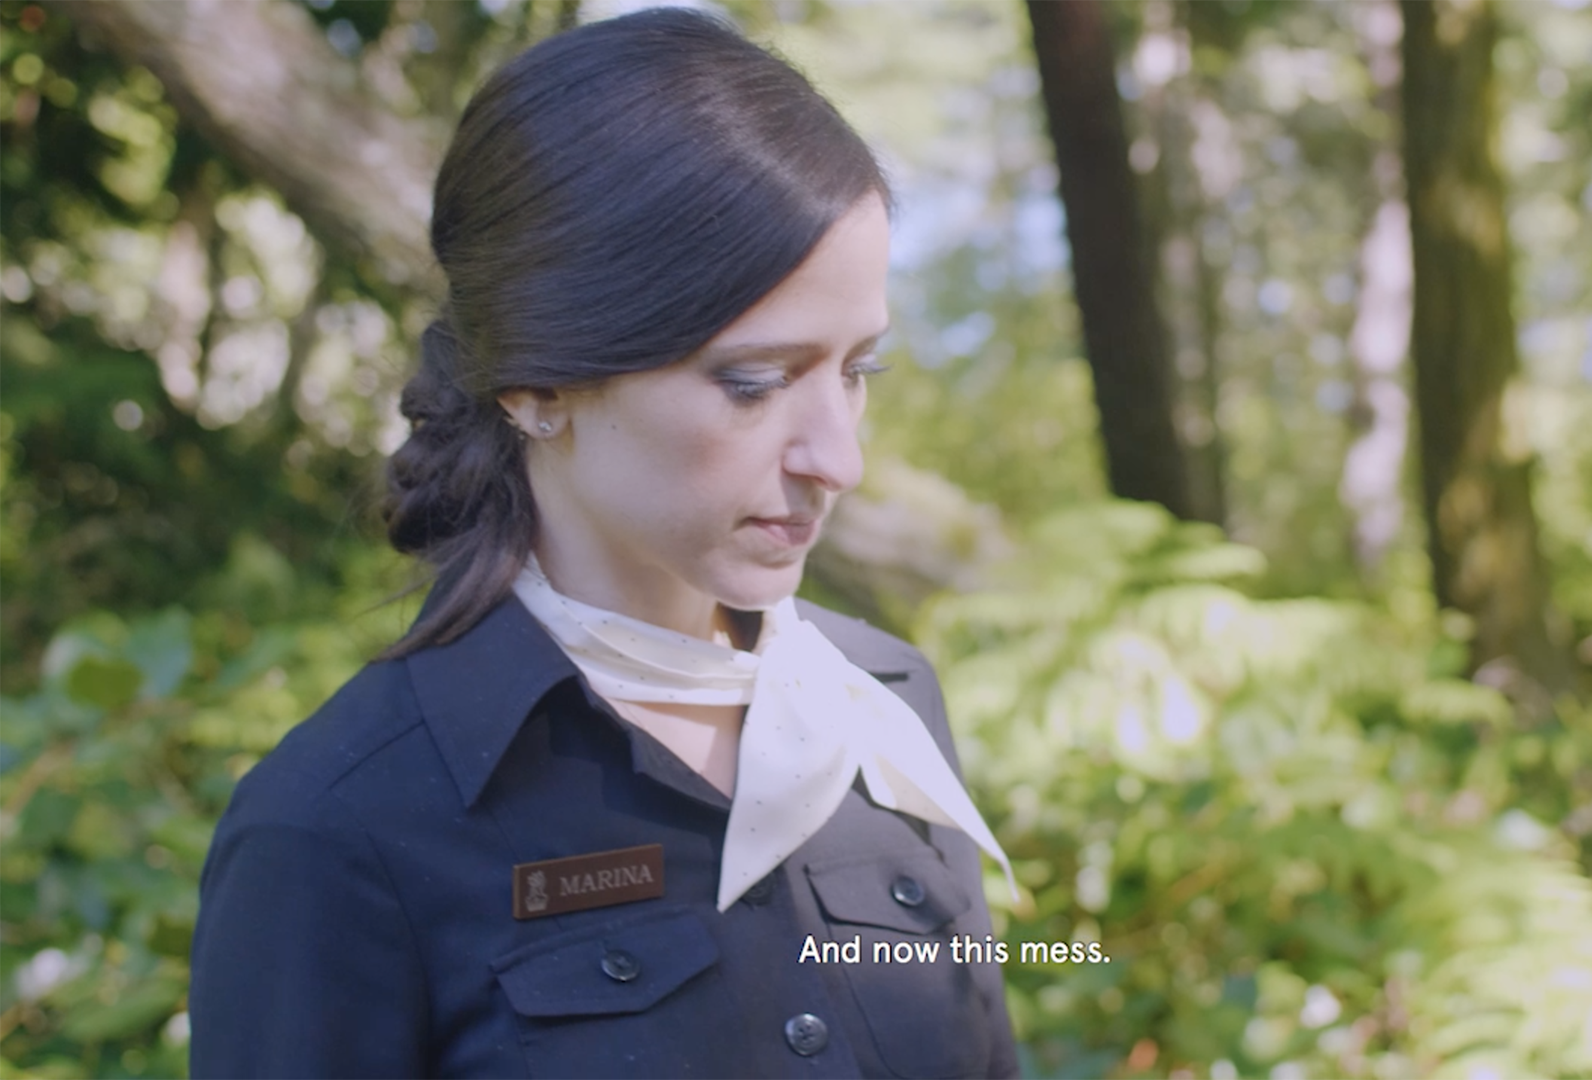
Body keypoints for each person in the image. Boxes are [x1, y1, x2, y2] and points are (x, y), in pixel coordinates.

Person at [187, 9, 1021, 1077]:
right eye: (754, 383)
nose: (839, 459)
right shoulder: (336, 827)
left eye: (858, 371)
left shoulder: (887, 704)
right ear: (537, 385)